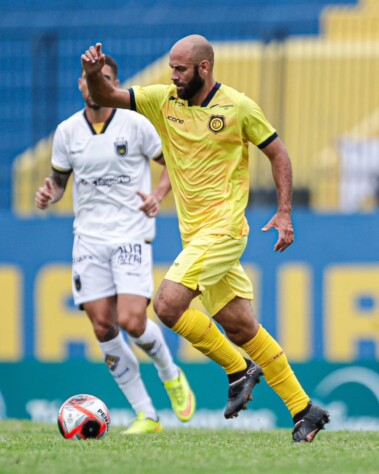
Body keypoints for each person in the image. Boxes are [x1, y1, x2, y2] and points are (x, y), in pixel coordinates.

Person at [81, 36, 330, 443]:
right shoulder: (163, 100)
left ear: (204, 68)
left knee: (166, 305)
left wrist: (284, 213)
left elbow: (279, 154)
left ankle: (238, 369)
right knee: (240, 325)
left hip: (225, 229)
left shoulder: (238, 107)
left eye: (180, 69)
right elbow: (104, 93)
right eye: (171, 69)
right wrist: (92, 72)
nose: (174, 77)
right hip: (196, 235)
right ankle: (305, 410)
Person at [35, 54, 195, 435]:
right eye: (91, 78)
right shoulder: (66, 132)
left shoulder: (136, 124)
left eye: (105, 78)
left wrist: (158, 195)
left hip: (129, 233)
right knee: (103, 327)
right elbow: (59, 181)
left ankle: (170, 373)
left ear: (112, 84)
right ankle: (146, 415)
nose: (96, 84)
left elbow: (170, 162)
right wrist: (49, 193)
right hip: (88, 239)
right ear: (81, 85)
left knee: (131, 321)